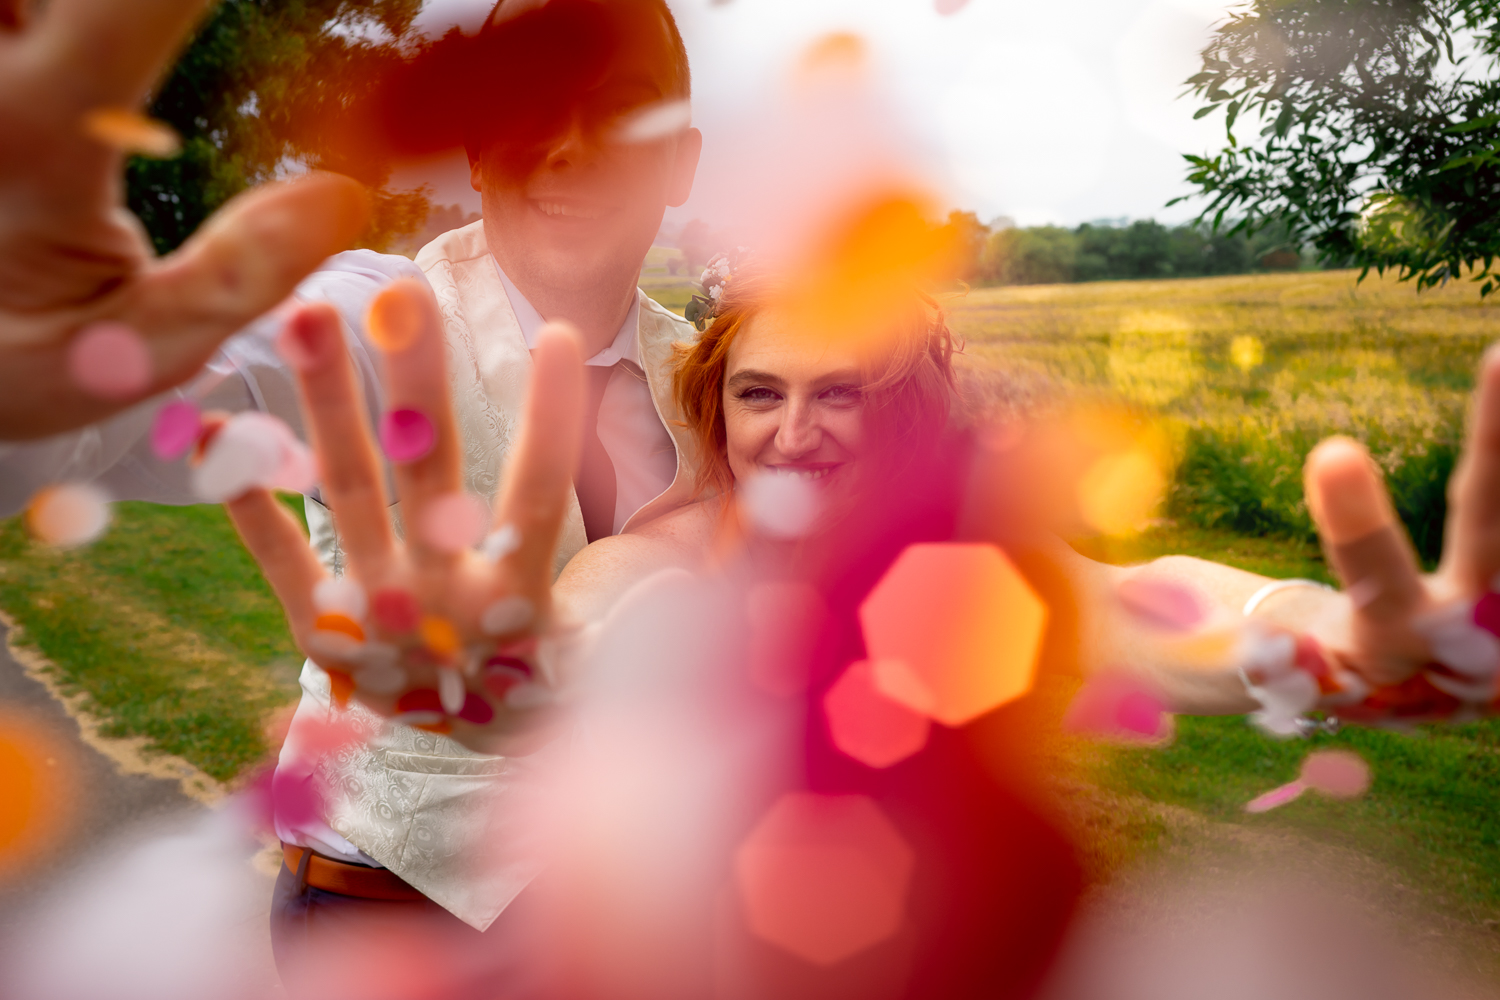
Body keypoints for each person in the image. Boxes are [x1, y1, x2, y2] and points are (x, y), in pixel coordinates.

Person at [228, 251, 1500, 997]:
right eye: (760, 393)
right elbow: (578, 641)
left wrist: (1320, 630)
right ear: (716, 412)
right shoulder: (661, 556)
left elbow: (1137, 603)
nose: (794, 431)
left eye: (842, 394)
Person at [0, 0, 708, 974]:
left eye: (623, 110)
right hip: (383, 927)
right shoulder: (374, 321)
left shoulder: (717, 383)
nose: (570, 145)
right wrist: (45, 375)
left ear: (683, 161)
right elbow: (108, 424)